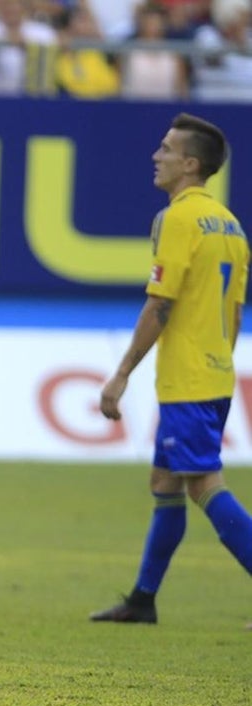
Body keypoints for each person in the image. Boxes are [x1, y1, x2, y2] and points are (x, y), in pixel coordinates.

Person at [91, 113, 252, 626]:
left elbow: (160, 305)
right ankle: (143, 599)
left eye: (165, 149)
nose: (155, 157)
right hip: (213, 371)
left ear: (190, 163)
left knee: (203, 484)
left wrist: (121, 374)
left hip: (189, 379)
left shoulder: (179, 220)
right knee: (166, 481)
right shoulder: (230, 225)